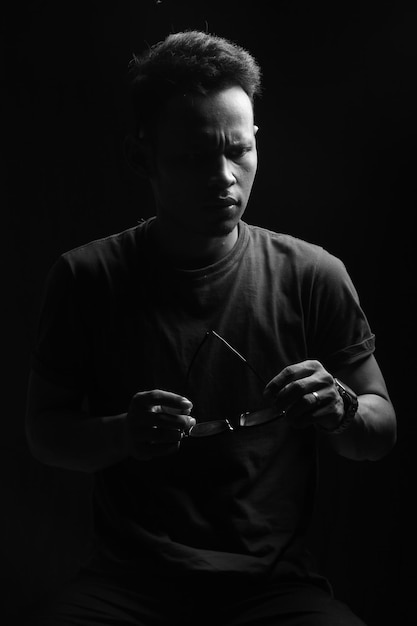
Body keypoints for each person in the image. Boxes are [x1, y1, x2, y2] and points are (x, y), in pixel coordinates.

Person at [25, 30, 396, 626]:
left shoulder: (314, 274)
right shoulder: (87, 277)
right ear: (141, 156)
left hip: (274, 589)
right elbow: (45, 434)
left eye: (239, 150)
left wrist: (345, 409)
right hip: (126, 587)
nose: (225, 176)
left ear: (256, 143)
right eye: (196, 155)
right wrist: (124, 432)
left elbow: (380, 432)